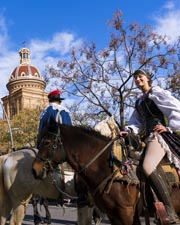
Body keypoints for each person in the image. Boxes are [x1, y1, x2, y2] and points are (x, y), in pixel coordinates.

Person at [120, 69, 180, 224]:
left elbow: (176, 107)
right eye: (135, 78)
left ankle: (170, 211)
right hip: (145, 138)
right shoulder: (139, 101)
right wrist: (128, 131)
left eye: (140, 76)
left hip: (158, 136)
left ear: (148, 78)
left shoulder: (156, 93)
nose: (138, 79)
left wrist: (170, 128)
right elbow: (136, 123)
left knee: (147, 166)